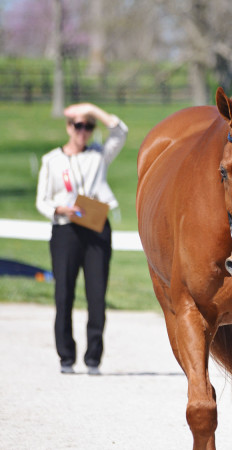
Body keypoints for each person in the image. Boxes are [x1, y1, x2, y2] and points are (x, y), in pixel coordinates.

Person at [36, 103, 128, 375]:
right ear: (68, 127)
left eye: (88, 126)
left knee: (97, 296)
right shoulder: (52, 160)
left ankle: (93, 358)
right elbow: (41, 200)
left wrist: (91, 109)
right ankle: (66, 356)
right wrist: (59, 209)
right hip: (66, 229)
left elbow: (120, 131)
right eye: (78, 125)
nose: (83, 131)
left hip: (96, 227)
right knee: (64, 293)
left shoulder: (99, 156)